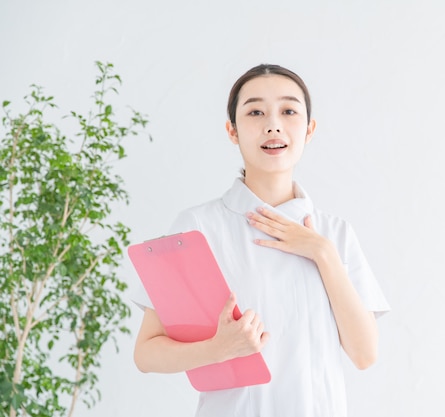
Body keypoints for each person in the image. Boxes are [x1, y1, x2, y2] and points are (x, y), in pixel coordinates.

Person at [132, 63, 390, 416]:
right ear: (232, 131)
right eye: (255, 111)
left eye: (288, 111)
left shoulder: (335, 234)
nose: (273, 124)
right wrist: (218, 349)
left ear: (309, 129)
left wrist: (322, 252)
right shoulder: (197, 227)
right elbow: (146, 353)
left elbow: (364, 354)